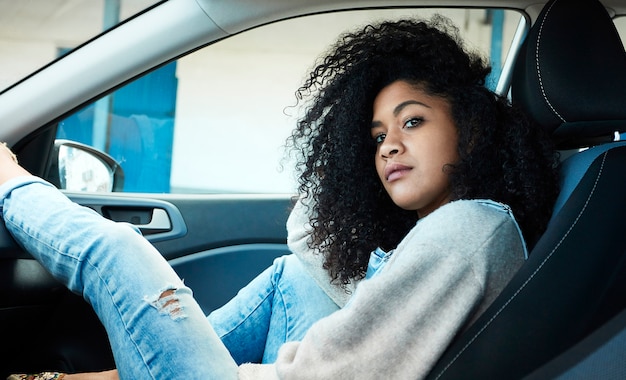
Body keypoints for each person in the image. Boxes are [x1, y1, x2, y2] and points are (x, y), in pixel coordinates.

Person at [4, 15, 559, 380]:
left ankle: (8, 182)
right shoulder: (466, 227)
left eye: (412, 121)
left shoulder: (464, 231)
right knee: (293, 276)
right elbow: (312, 244)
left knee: (119, 253)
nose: (389, 146)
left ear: (471, 128)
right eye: (374, 138)